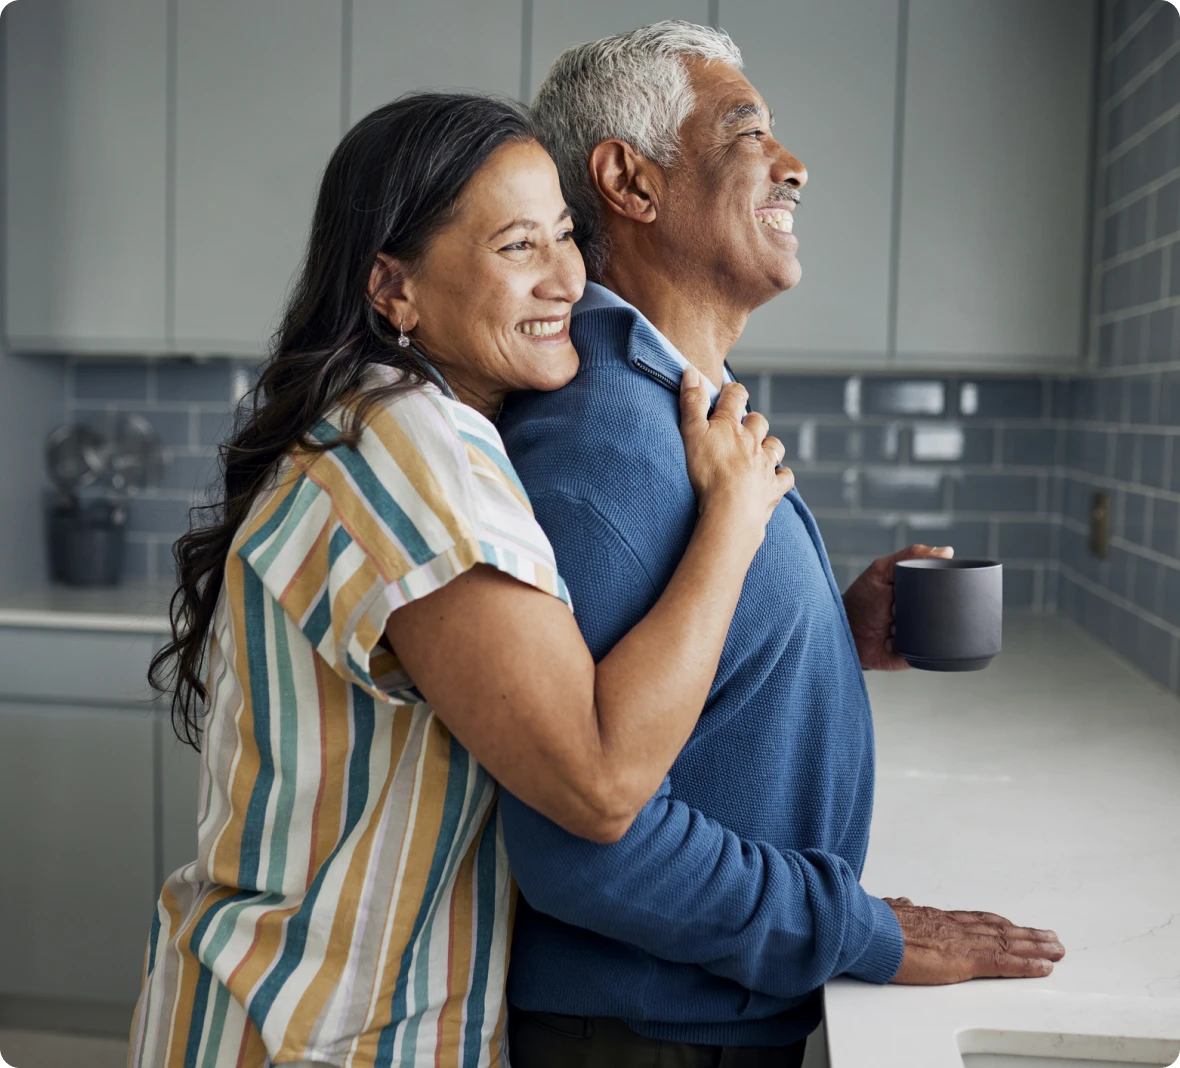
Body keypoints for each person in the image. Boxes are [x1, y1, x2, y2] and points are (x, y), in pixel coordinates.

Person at [127, 92, 792, 1068]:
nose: (567, 276)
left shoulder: (392, 423)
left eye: (566, 235)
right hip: (314, 1036)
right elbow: (601, 781)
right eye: (518, 247)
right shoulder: (410, 450)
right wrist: (734, 520)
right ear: (393, 289)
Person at [497, 22, 1067, 1068]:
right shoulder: (605, 442)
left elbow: (661, 688)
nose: (793, 166)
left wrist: (826, 636)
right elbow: (587, 849)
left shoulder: (669, 405)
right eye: (745, 128)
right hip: (643, 1040)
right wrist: (865, 930)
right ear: (629, 179)